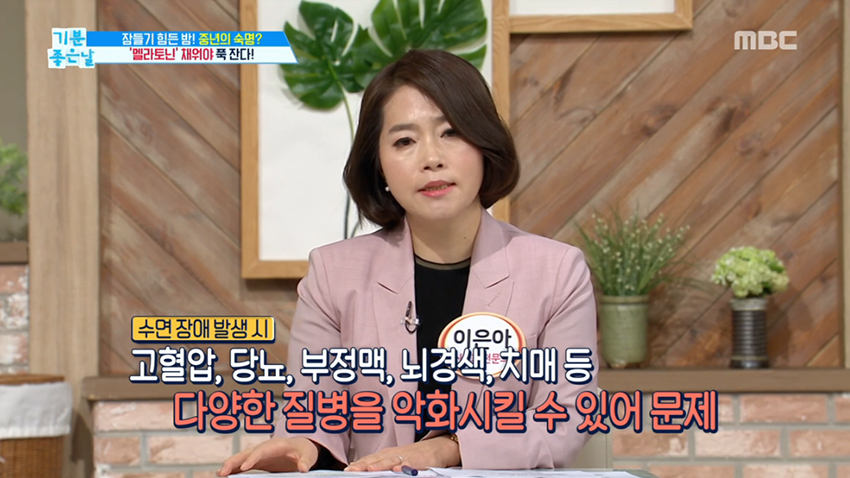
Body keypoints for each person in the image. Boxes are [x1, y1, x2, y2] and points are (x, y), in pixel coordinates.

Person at [217, 49, 598, 476]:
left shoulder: (557, 272)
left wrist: (449, 449)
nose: (431, 158)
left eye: (451, 132)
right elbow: (314, 414)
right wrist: (302, 444)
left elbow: (567, 419)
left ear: (484, 144)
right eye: (404, 141)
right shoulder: (333, 276)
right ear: (379, 166)